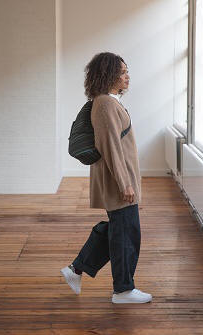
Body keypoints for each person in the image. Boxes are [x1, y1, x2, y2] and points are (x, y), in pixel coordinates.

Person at [61, 52, 152, 304]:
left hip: (120, 178)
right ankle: (123, 291)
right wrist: (125, 183)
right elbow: (110, 146)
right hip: (118, 181)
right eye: (122, 72)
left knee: (120, 230)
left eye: (126, 71)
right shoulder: (105, 104)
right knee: (126, 234)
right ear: (108, 74)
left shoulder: (108, 101)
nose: (127, 76)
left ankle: (77, 269)